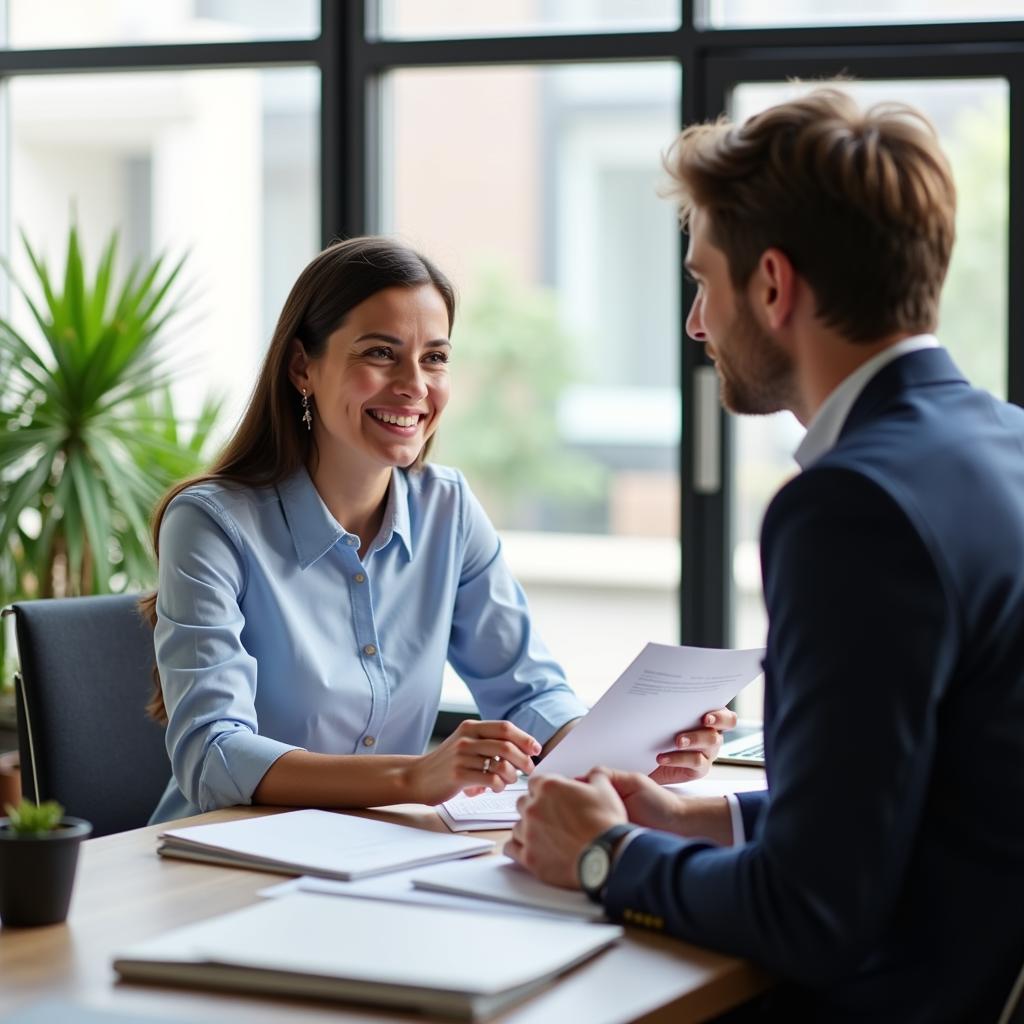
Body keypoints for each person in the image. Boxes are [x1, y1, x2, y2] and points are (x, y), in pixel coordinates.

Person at [506, 88, 1024, 1022]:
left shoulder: (851, 508)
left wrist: (602, 856)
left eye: (703, 281)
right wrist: (699, 817)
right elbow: (944, 797)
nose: (698, 324)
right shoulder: (1007, 446)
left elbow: (810, 915)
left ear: (774, 287)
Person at [144, 237, 734, 824]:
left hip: (377, 852)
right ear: (304, 366)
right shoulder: (211, 523)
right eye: (380, 353)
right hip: (220, 857)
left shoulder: (446, 509)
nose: (415, 385)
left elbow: (528, 692)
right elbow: (211, 754)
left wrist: (628, 757)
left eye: (435, 357)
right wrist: (415, 775)